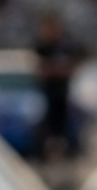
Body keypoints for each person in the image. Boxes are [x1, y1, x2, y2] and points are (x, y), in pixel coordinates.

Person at [31, 11, 84, 160]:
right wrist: (56, 69)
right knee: (46, 126)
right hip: (47, 94)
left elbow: (72, 67)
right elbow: (41, 70)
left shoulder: (67, 45)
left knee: (66, 125)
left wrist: (58, 70)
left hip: (62, 93)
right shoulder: (42, 47)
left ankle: (70, 153)